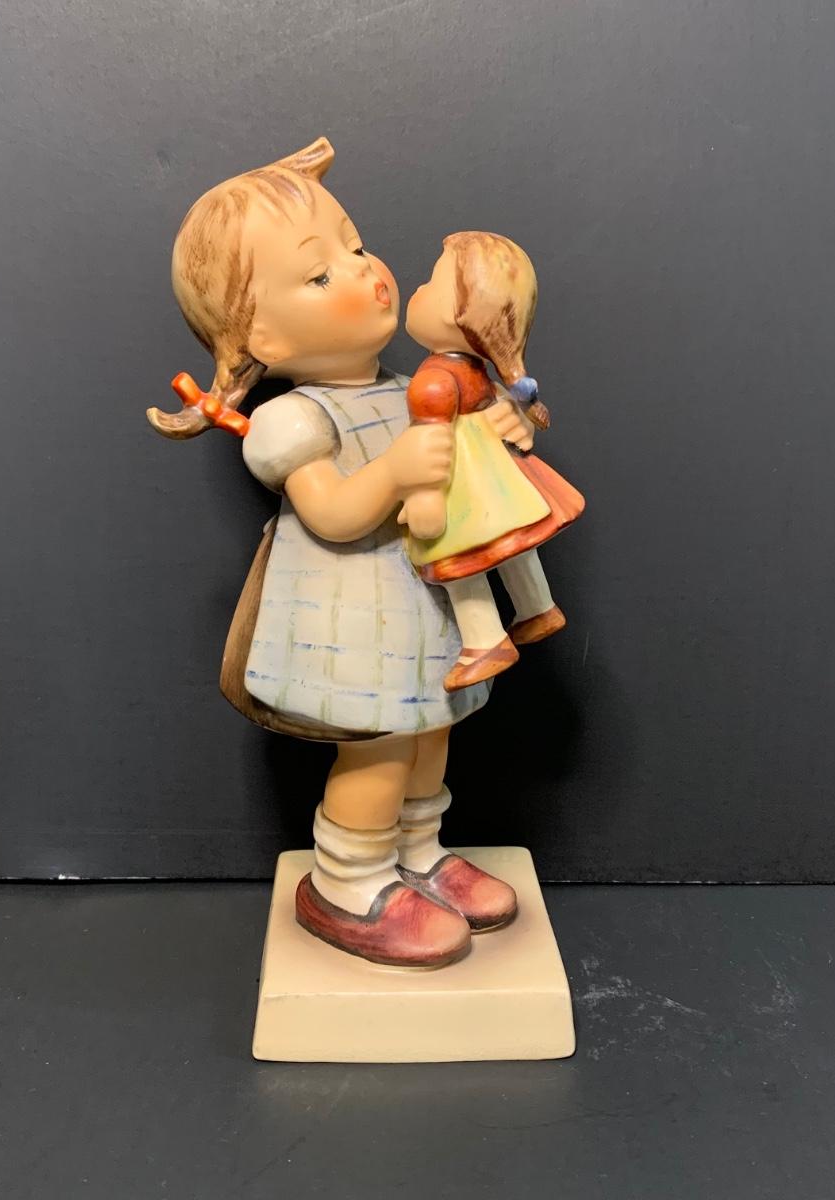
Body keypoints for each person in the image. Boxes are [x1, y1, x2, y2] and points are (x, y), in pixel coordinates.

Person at [146, 140, 519, 968]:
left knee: (431, 731)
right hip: (353, 616)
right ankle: (348, 881)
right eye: (320, 275)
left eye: (354, 246)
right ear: (263, 337)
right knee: (379, 747)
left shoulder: (409, 388)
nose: (361, 270)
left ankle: (418, 855)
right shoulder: (294, 421)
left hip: (421, 605)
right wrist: (393, 472)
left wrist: (497, 427)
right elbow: (334, 515)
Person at [400, 233, 586, 690]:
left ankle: (484, 642)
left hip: (461, 483)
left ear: (460, 316)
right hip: (499, 477)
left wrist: (424, 497)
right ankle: (537, 607)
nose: (418, 290)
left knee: (460, 562)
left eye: (430, 283)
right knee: (513, 545)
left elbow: (429, 445)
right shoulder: (474, 369)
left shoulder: (432, 382)